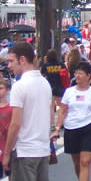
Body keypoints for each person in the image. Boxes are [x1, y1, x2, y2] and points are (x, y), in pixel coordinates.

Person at [2, 42, 52, 181]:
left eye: (11, 61)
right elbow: (49, 116)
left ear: (22, 60)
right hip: (42, 149)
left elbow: (15, 123)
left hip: (24, 150)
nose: (9, 65)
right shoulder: (44, 83)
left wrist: (6, 153)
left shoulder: (19, 86)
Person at [50, 62, 91, 181]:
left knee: (85, 161)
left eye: (81, 73)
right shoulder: (69, 92)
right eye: (76, 73)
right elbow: (62, 111)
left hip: (90, 127)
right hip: (71, 128)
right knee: (77, 162)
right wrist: (57, 128)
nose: (77, 76)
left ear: (89, 75)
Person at [40, 49, 67, 130]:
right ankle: (61, 123)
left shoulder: (46, 66)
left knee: (51, 107)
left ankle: (51, 124)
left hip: (49, 88)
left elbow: (42, 75)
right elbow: (65, 74)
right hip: (60, 87)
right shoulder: (61, 64)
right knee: (60, 106)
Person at [0, 79, 12, 178]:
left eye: (1, 88)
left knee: (11, 174)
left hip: (7, 146)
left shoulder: (11, 108)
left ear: (7, 90)